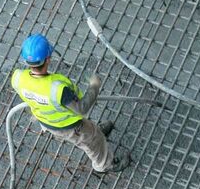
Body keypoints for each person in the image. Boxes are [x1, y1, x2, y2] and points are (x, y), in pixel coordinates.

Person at [11, 33, 130, 174]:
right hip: (69, 126)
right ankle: (104, 165)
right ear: (48, 59)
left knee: (91, 131)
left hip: (47, 121)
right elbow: (82, 109)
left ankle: (95, 131)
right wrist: (94, 86)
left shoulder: (18, 78)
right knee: (93, 140)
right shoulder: (56, 89)